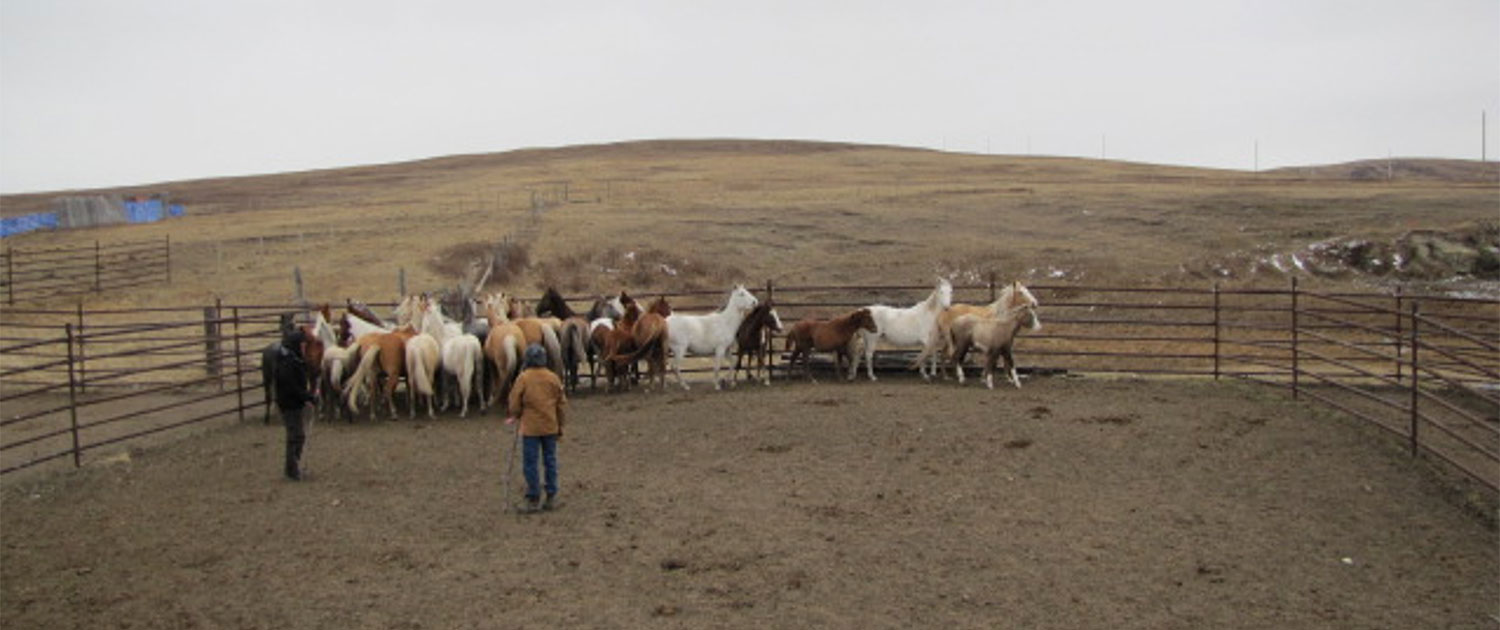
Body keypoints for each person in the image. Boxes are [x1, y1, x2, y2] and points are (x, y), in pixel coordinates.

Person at [507, 344, 568, 513]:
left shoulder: (523, 378)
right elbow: (561, 404)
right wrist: (560, 425)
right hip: (550, 426)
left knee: (530, 463)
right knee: (550, 461)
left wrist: (517, 413)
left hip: (530, 428)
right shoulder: (553, 378)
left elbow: (514, 402)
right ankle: (551, 496)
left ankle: (533, 497)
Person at [274, 328, 317, 481]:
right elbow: (292, 387)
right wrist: (308, 397)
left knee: (297, 435)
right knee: (295, 436)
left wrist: (306, 397)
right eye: (303, 345)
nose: (304, 348)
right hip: (289, 404)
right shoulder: (289, 364)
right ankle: (292, 470)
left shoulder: (294, 360)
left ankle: (294, 467)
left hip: (293, 402)